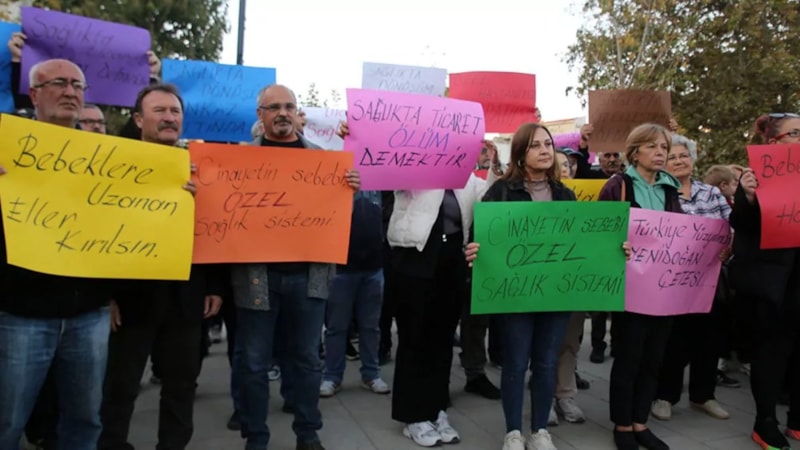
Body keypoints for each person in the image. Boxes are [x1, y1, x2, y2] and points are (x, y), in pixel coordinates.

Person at [465, 123, 628, 450]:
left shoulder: (564, 193)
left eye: (548, 144)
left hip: (555, 295)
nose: (544, 150)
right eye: (536, 145)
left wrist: (614, 248)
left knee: (545, 362)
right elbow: (479, 239)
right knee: (515, 363)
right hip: (515, 296)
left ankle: (540, 430)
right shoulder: (500, 192)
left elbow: (581, 243)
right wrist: (473, 251)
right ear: (521, 154)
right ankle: (513, 432)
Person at [233, 84, 360, 450]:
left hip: (310, 277)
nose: (283, 113)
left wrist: (349, 189)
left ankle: (308, 433)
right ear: (261, 115)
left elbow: (337, 218)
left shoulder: (323, 160)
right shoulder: (240, 161)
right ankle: (256, 437)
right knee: (254, 364)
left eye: (289, 106)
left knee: (306, 360)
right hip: (257, 278)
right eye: (274, 107)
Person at [98, 83, 224, 450]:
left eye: (175, 111)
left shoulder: (201, 168)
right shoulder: (113, 165)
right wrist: (105, 296)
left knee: (181, 388)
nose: (169, 118)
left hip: (185, 301)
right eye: (159, 111)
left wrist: (214, 285)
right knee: (120, 388)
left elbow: (218, 229)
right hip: (131, 301)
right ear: (138, 119)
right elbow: (96, 231)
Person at [0, 58, 113, 450]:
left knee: (84, 421)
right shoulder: (5, 148)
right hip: (21, 312)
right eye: (59, 83)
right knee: (8, 420)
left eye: (78, 85)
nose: (70, 92)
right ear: (34, 94)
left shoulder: (111, 158)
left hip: (90, 313)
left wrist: (174, 195)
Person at [599, 123, 683, 450]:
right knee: (629, 357)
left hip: (662, 289)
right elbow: (602, 235)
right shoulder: (617, 187)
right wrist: (617, 246)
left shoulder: (670, 189)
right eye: (653, 146)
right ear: (635, 152)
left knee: (654, 358)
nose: (661, 152)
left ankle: (641, 422)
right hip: (630, 287)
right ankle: (622, 425)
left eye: (664, 146)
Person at [650, 134, 734, 424]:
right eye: (671, 157)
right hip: (673, 282)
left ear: (692, 158)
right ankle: (665, 396)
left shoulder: (711, 193)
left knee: (710, 338)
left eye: (682, 156)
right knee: (675, 340)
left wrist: (728, 248)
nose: (677, 161)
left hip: (710, 280)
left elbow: (730, 226)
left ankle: (703, 395)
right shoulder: (660, 194)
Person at [730, 113, 800, 450]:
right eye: (795, 133)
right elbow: (741, 224)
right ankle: (765, 421)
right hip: (772, 282)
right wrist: (749, 197)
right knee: (772, 351)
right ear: (775, 143)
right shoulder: (756, 175)